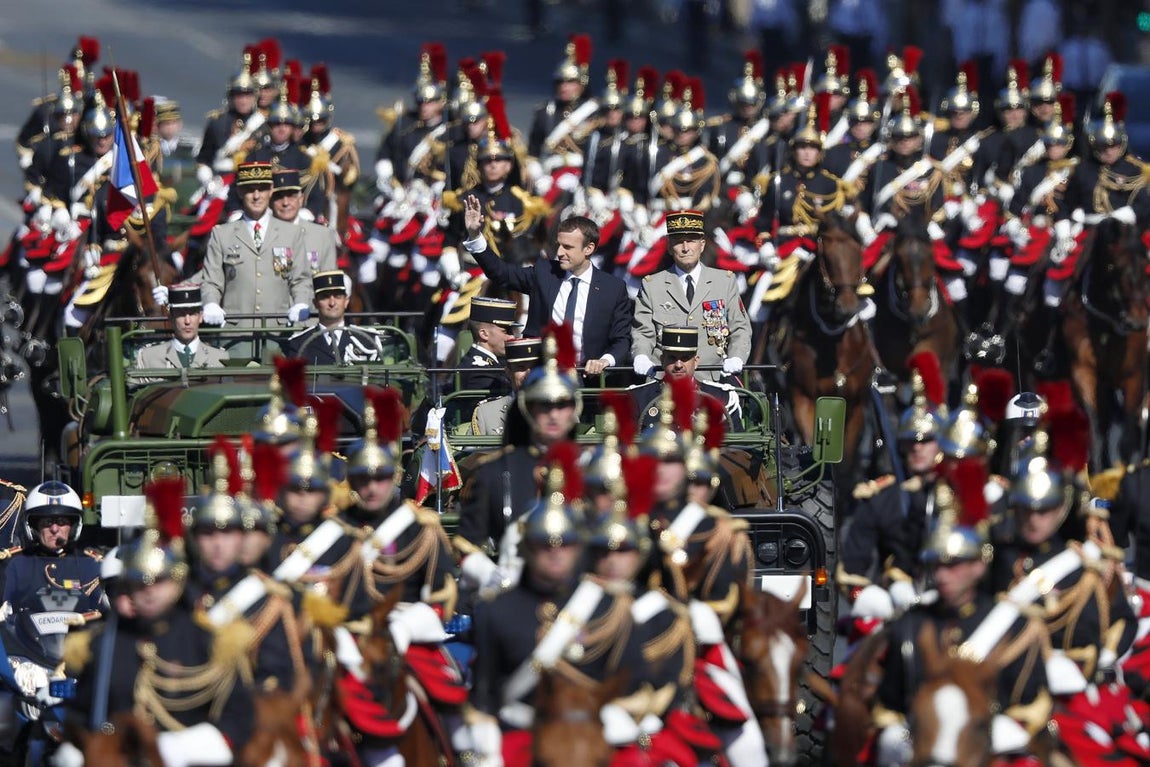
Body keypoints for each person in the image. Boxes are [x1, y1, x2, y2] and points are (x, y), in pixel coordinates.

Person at [467, 445, 643, 766]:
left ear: (580, 548)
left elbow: (629, 685)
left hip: (596, 734)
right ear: (527, 548)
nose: (555, 552)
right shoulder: (497, 611)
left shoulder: (609, 608)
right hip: (522, 736)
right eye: (544, 543)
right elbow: (484, 696)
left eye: (566, 543)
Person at [63, 479, 255, 766]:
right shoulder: (104, 642)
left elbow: (238, 720)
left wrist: (181, 747)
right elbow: (82, 715)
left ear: (177, 582)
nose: (150, 592)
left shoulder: (209, 641)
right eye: (140, 583)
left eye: (159, 582)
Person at [872, 478, 1051, 765]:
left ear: (979, 565)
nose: (942, 576)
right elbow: (890, 704)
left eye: (953, 565)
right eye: (937, 565)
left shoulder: (1016, 626)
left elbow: (1032, 706)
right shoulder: (909, 626)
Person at [455, 325, 580, 595]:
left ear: (574, 408)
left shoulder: (590, 470)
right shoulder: (495, 472)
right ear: (527, 407)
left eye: (562, 405)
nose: (553, 414)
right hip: (510, 594)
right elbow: (466, 544)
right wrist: (491, 575)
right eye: (543, 405)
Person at [463, 200, 631, 377]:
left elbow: (621, 340)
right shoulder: (545, 272)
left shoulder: (612, 288)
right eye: (559, 244)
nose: (559, 252)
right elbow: (501, 273)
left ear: (588, 248)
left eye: (568, 247)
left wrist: (605, 361)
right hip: (540, 376)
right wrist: (475, 235)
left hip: (588, 380)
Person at [838, 363, 946, 605]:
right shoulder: (882, 497)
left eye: (926, 440)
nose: (917, 447)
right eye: (911, 441)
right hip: (899, 601)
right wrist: (868, 601)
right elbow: (852, 571)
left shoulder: (958, 492)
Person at [632, 210, 751, 383]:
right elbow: (643, 332)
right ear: (669, 246)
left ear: (702, 245)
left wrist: (737, 356)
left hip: (713, 379)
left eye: (691, 241)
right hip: (664, 382)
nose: (686, 248)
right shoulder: (652, 285)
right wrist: (641, 355)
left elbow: (740, 327)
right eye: (679, 242)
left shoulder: (724, 282)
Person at [200, 161, 312, 328]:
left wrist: (301, 302)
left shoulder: (291, 233)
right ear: (239, 191)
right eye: (250, 189)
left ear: (271, 189)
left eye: (262, 189)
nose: (257, 196)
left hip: (278, 330)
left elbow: (301, 279)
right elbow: (211, 280)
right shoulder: (222, 234)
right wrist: (211, 303)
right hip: (236, 330)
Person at [0, 481, 104, 617]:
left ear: (73, 526)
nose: (54, 529)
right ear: (33, 527)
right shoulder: (12, 563)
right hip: (25, 636)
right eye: (47, 522)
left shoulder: (91, 565)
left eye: (61, 522)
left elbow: (105, 615)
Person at [630, 326, 742, 429]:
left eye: (685, 358)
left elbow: (737, 446)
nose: (678, 365)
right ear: (662, 360)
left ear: (696, 361)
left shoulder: (720, 398)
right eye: (672, 358)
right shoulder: (640, 398)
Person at [281, 271, 384, 365]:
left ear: (346, 301)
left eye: (338, 296)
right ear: (315, 303)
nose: (332, 303)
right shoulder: (299, 344)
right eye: (325, 297)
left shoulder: (367, 339)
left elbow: (378, 381)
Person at [195, 53, 262, 185]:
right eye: (239, 95)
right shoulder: (217, 123)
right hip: (220, 183)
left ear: (254, 97)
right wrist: (208, 180)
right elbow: (203, 160)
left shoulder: (262, 124)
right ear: (231, 97)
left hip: (254, 184)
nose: (243, 100)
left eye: (247, 95)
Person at [135, 284, 230, 374]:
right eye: (181, 314)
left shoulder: (219, 357)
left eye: (192, 314)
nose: (187, 321)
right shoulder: (149, 356)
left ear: (201, 317)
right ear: (171, 318)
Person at [269, 168, 337, 275]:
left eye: (291, 196)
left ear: (301, 199)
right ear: (271, 202)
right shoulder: (263, 235)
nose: (286, 203)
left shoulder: (322, 236)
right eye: (279, 197)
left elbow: (328, 281)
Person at [471, 337, 540, 437]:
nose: (529, 374)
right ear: (508, 372)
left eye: (534, 367)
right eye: (521, 368)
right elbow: (472, 452)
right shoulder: (486, 413)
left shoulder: (560, 410)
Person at [456, 297, 520, 395]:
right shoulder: (481, 373)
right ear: (484, 334)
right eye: (505, 331)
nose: (512, 337)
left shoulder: (489, 366)